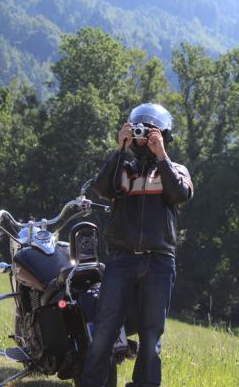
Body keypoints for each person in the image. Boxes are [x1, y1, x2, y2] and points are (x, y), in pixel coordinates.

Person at [79, 103, 194, 387]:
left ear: (164, 135)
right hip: (122, 259)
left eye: (151, 132)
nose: (144, 137)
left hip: (159, 261)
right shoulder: (123, 168)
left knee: (152, 333)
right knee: (105, 327)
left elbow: (180, 194)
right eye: (139, 131)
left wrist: (161, 156)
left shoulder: (175, 169)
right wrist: (119, 149)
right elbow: (101, 187)